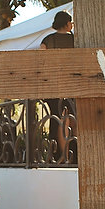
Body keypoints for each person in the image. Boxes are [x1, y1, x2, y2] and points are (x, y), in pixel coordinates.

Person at [40, 11, 76, 162]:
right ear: (67, 23)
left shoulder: (48, 40)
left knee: (59, 120)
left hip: (53, 86)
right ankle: (73, 155)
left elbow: (41, 63)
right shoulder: (76, 39)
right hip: (73, 85)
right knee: (71, 119)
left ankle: (62, 155)